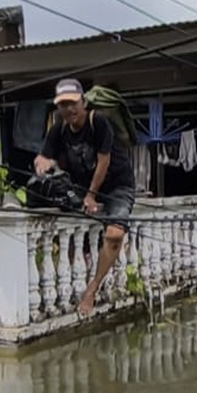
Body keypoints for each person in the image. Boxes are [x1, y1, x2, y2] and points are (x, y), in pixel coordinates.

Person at [34, 78, 137, 317]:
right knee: (70, 235)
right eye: (63, 104)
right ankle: (68, 282)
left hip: (117, 186)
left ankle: (92, 289)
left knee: (114, 233)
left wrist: (91, 196)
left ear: (84, 102)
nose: (68, 109)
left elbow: (104, 162)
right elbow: (44, 156)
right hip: (82, 187)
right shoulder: (59, 128)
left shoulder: (97, 122)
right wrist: (42, 165)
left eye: (73, 103)